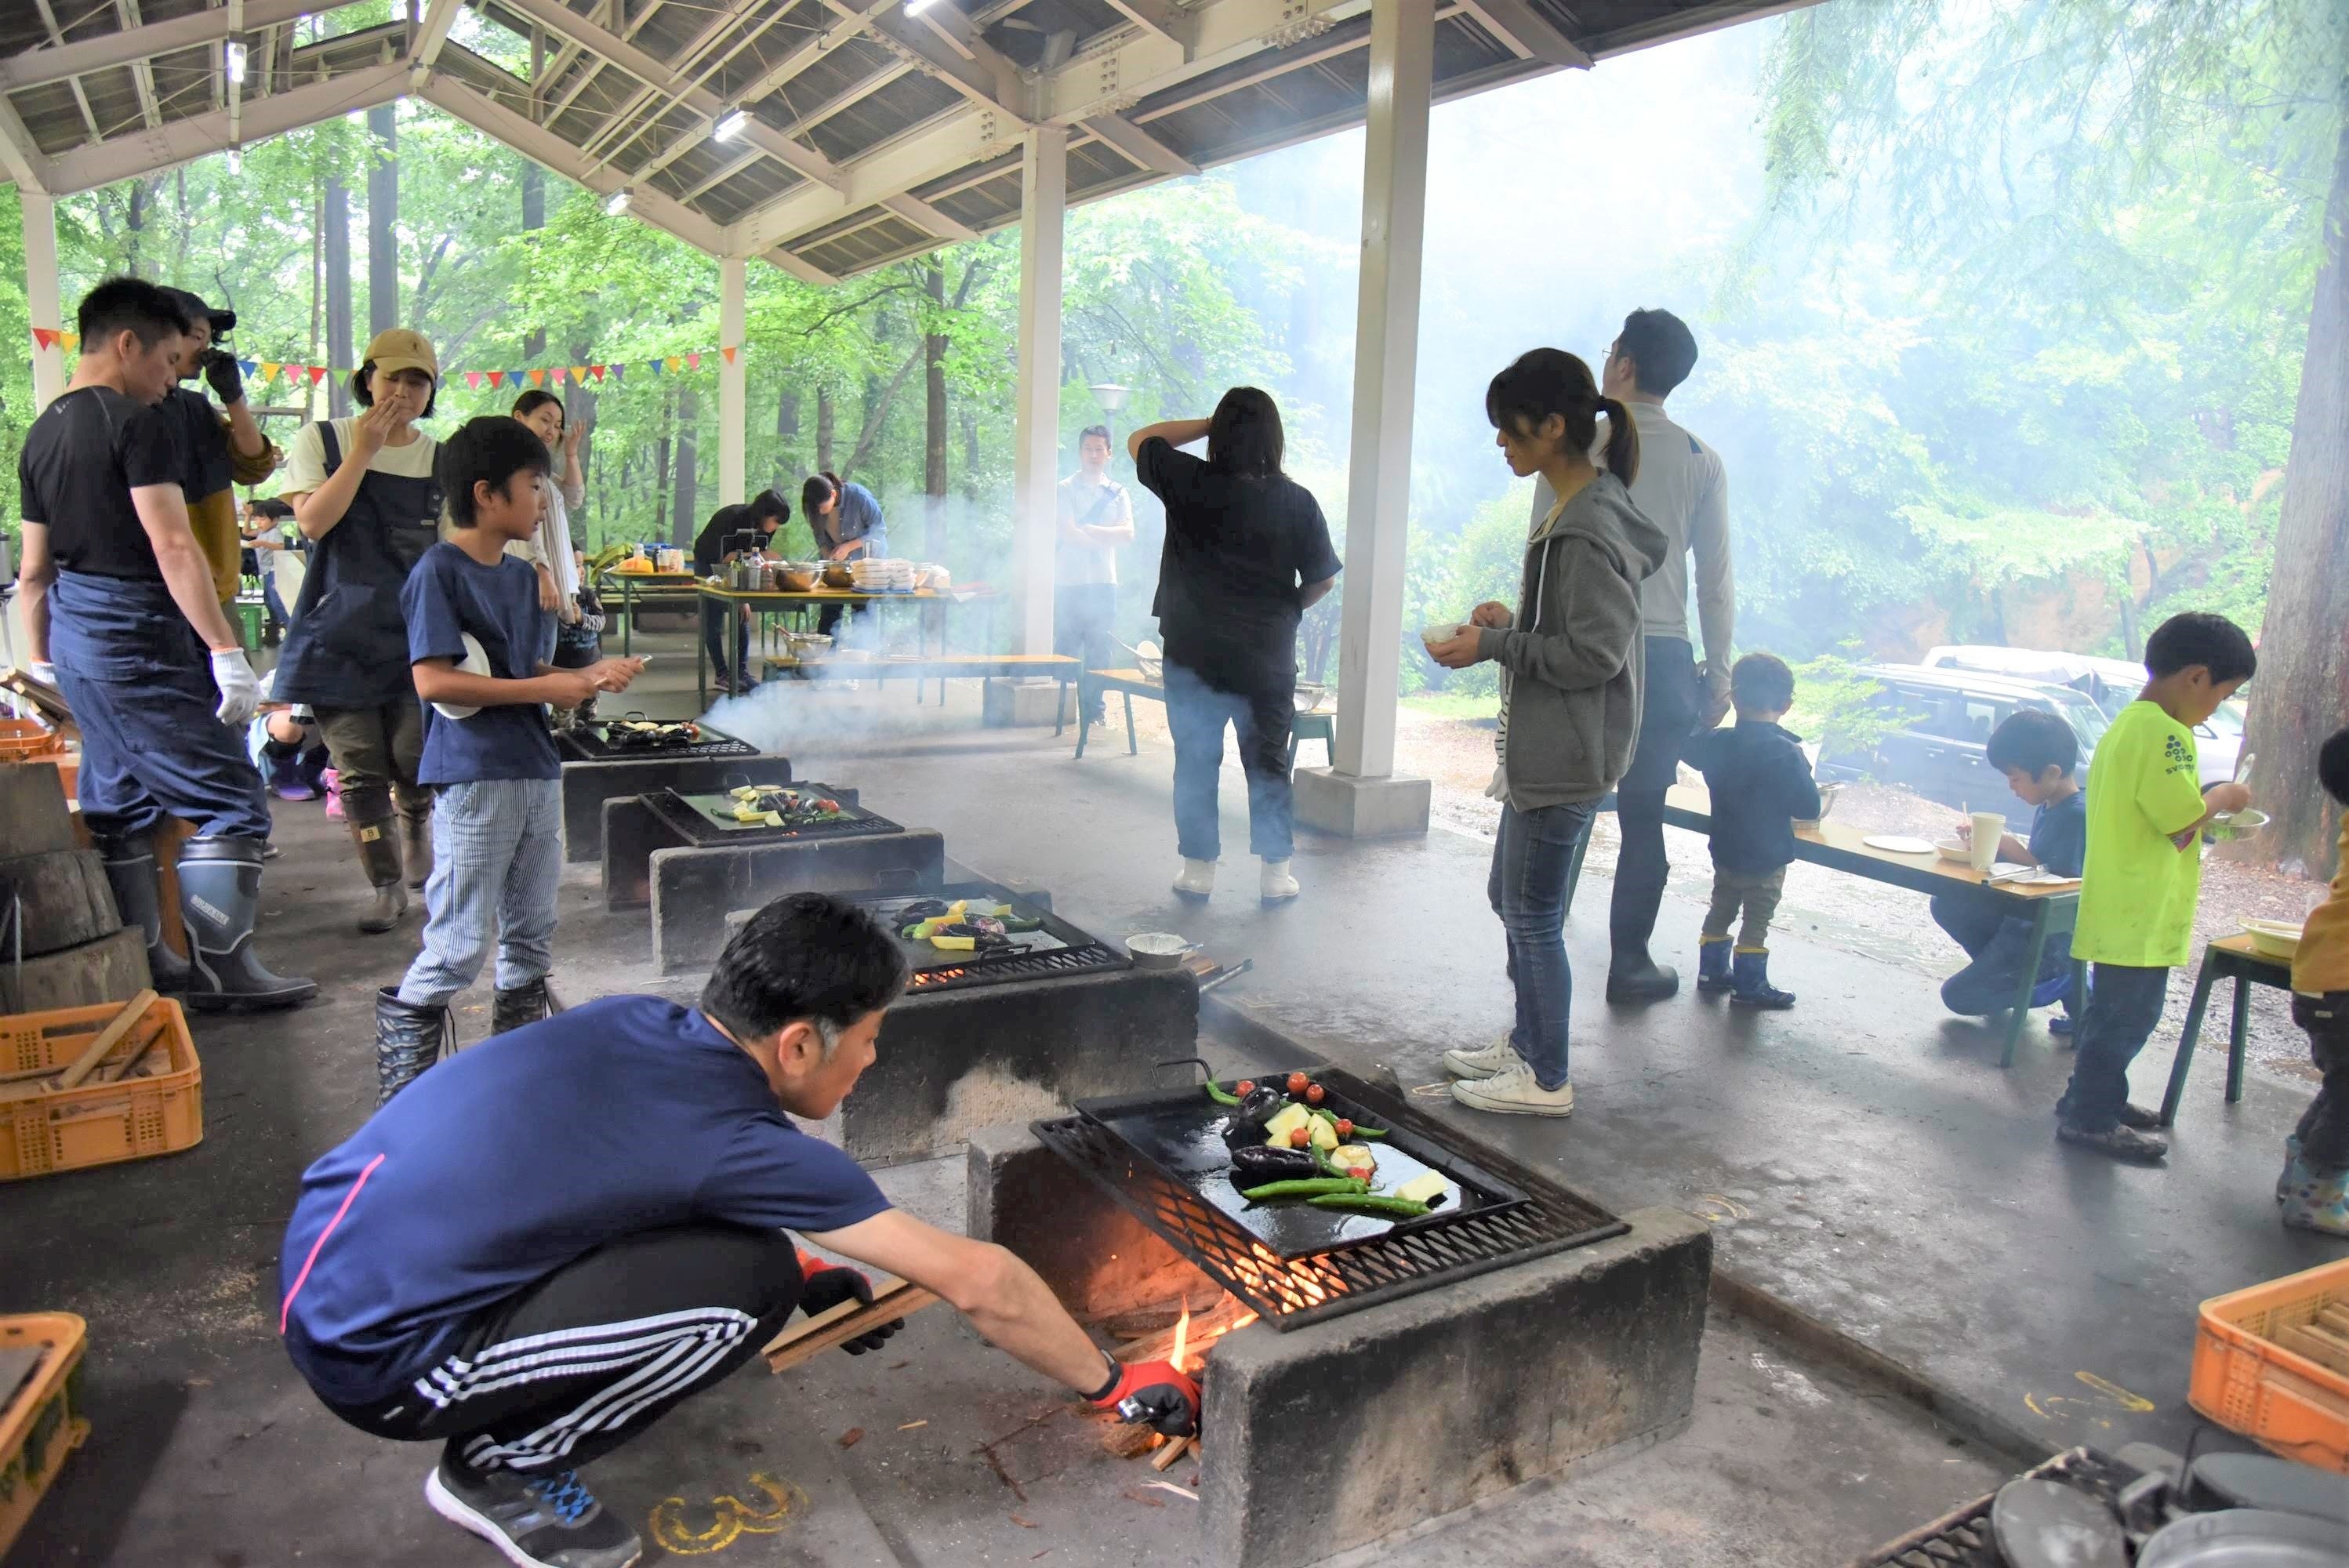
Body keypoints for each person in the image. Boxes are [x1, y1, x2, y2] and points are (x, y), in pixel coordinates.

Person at [280, 891, 1199, 1568]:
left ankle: (514, 1419)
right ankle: (501, 1464)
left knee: (770, 1265)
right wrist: (1115, 1378)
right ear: (799, 1042)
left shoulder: (634, 1020)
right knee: (742, 1293)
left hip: (333, 1255)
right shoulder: (741, 1140)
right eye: (871, 1037)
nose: (874, 1058)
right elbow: (980, 1279)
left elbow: (619, 1180)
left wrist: (806, 1267)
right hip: (380, 1355)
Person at [13, 278, 313, 1011]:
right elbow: (174, 547)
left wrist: (42, 659)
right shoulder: (136, 422)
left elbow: (32, 572)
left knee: (118, 802)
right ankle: (221, 972)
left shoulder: (43, 430)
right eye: (167, 362)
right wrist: (225, 652)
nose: (169, 381)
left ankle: (150, 959)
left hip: (80, 631)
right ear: (127, 345)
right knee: (232, 797)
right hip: (140, 631)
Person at [372, 418, 644, 1102]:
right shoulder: (438, 572)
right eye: (533, 484)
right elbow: (433, 681)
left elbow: (524, 670)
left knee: (531, 937)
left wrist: (587, 674)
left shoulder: (525, 579)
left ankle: (512, 1094)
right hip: (474, 776)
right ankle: (401, 1106)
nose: (544, 500)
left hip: (533, 770)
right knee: (460, 944)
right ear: (487, 493)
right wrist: (549, 687)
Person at [1429, 350, 1664, 1116]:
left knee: (1531, 915)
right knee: (1511, 896)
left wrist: (1494, 646)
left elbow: (1594, 653)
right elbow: (1572, 631)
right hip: (1552, 745)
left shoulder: (1586, 527)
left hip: (1567, 752)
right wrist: (1512, 623)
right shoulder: (1576, 509)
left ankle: (1546, 1076)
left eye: (1508, 429)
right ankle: (1527, 1043)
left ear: (1552, 426)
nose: (1500, 442)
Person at [1540, 310, 1733, 1005]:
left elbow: (1545, 544)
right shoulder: (1700, 459)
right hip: (1665, 656)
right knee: (1643, 813)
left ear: (1622, 365)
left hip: (1579, 642)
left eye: (1610, 352)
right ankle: (1632, 965)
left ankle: (1537, 946)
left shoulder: (1574, 440)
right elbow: (1715, 578)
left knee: (1565, 804)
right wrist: (1721, 671)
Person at [2057, 612, 2256, 1163]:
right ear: (2195, 677)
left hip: (2118, 899)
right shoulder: (2168, 734)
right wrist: (2225, 797)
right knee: (2128, 1019)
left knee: (2110, 1014)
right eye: (2223, 693)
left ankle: (2089, 1097)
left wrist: (2203, 800)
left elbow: (2161, 811)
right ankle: (2089, 1118)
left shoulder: (2129, 723)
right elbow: (2179, 818)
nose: (2217, 707)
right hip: (2138, 906)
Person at [1128, 390, 1341, 906]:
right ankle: (1276, 873)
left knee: (1196, 760)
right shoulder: (1298, 501)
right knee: (1268, 762)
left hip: (1192, 649)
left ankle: (1198, 870)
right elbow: (1323, 581)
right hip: (1264, 654)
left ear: (1219, 435)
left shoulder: (1187, 481)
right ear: (1276, 437)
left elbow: (1139, 440)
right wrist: (1287, 608)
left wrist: (1212, 422)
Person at [274, 328, 445, 935]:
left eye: (417, 381)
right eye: (391, 377)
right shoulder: (324, 439)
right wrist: (363, 451)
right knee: (360, 768)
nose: (402, 391)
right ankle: (386, 884)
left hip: (414, 635)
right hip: (337, 634)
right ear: (367, 379)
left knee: (412, 755)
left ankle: (418, 819)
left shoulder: (440, 458)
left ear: (431, 391)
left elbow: (451, 550)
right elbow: (315, 523)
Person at [1927, 709, 2088, 1023]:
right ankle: (2006, 975)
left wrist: (2010, 847)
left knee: (1958, 997)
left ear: (2052, 772)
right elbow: (2040, 866)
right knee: (1948, 903)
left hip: (2047, 939)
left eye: (2015, 778)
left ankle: (2066, 979)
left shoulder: (2077, 815)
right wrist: (1993, 847)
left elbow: (2066, 886)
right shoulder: (2051, 804)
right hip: (2020, 922)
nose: (2012, 786)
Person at [1681, 652, 1821, 1009]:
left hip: (1726, 852)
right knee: (1756, 920)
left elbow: (1688, 741)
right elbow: (1809, 809)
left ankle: (1711, 974)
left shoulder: (1717, 743)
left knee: (1721, 909)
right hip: (1767, 858)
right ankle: (1750, 985)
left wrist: (1707, 705)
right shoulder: (1787, 753)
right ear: (1786, 706)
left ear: (1735, 698)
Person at [158, 287, 280, 629]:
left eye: (208, 339)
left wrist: (234, 396)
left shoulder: (196, 409)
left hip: (217, 592)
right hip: (157, 597)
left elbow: (255, 466)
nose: (205, 350)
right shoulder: (124, 412)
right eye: (197, 337)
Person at [2280, 726, 2349, 1236]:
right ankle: (2315, 1196)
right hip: (2341, 986)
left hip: (2325, 980)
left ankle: (2302, 1173)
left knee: (2343, 1088)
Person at [1056, 424, 1135, 726]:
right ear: (1080, 453)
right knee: (1066, 645)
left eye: (1099, 449)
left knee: (1099, 648)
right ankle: (1061, 709)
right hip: (1068, 581)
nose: (1093, 454)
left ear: (1109, 453)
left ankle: (1094, 712)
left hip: (1104, 581)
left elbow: (1128, 534)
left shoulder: (1118, 493)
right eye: (1088, 449)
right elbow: (1067, 531)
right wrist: (1104, 538)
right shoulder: (1064, 489)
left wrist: (1093, 531)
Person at [509, 389, 587, 662]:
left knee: (543, 658)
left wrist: (571, 455)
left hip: (550, 580)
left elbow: (575, 497)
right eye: (545, 420)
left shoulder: (544, 473)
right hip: (533, 581)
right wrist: (543, 573)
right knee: (535, 663)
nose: (552, 430)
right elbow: (524, 526)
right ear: (519, 418)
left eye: (557, 425)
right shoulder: (514, 467)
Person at [692, 488, 791, 693]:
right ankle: (722, 674)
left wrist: (745, 595)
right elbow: (723, 558)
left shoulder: (765, 529)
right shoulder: (732, 518)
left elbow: (755, 559)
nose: (775, 527)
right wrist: (758, 556)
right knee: (714, 620)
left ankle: (741, 672)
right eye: (775, 520)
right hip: (710, 565)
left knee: (742, 616)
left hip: (739, 570)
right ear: (764, 513)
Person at [802, 472, 886, 640]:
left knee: (862, 615)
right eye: (816, 510)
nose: (820, 512)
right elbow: (820, 539)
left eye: (822, 507)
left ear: (833, 493)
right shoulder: (817, 510)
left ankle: (862, 658)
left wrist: (848, 546)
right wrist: (829, 558)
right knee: (830, 613)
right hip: (836, 568)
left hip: (865, 565)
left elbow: (879, 531)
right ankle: (826, 659)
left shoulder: (860, 497)